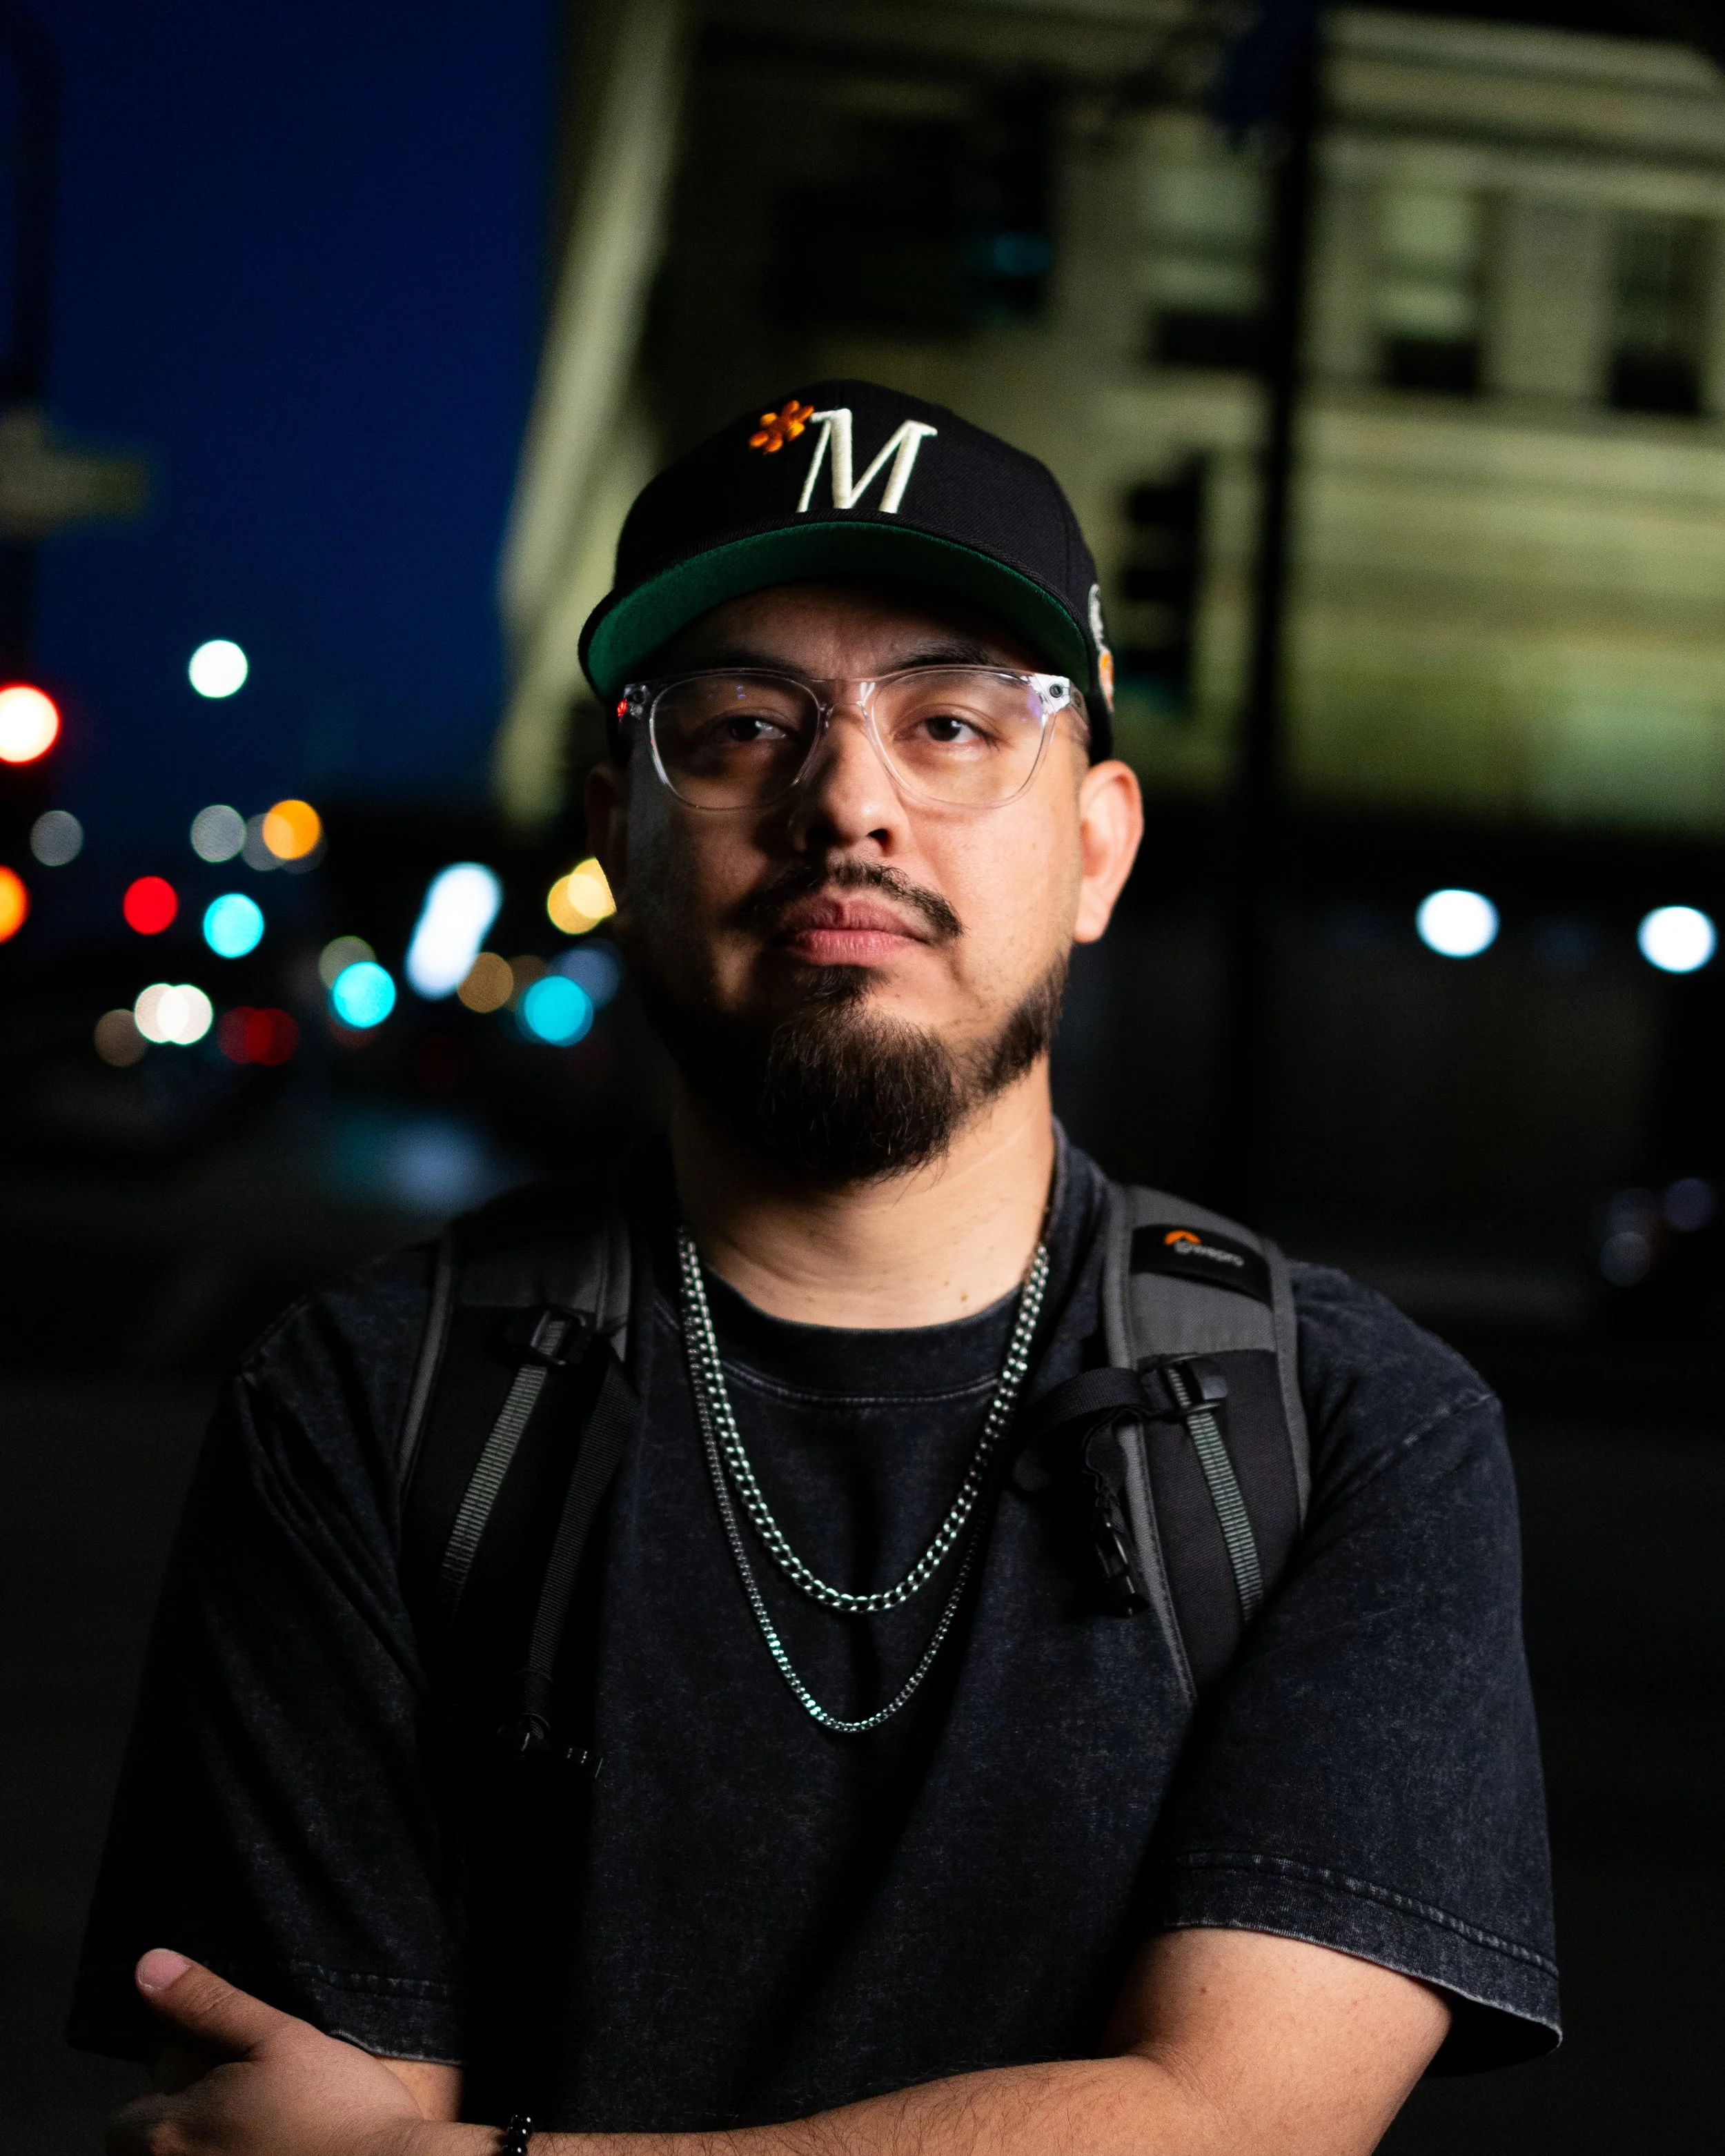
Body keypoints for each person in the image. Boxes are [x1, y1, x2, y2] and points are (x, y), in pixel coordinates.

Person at [77, 382, 1557, 2156]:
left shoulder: (1347, 1428)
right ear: (617, 823)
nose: (846, 801)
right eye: (739, 727)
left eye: (948, 721)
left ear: (1094, 842)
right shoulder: (363, 1404)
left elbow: (1235, 2120)